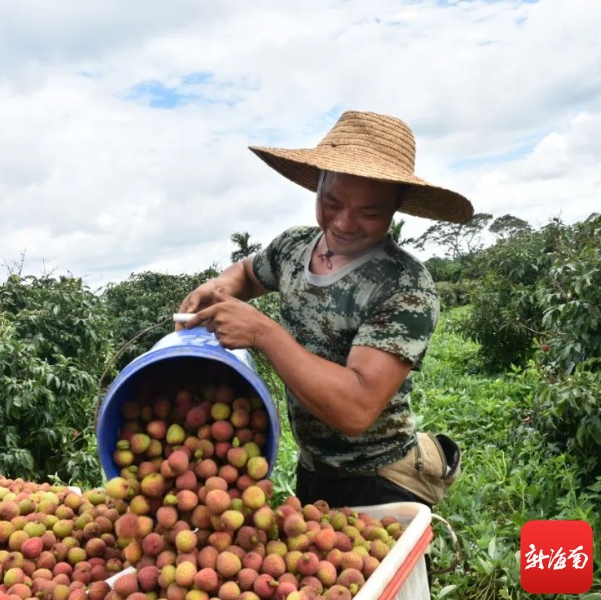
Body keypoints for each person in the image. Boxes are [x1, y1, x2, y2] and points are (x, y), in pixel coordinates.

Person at [177, 110, 472, 510]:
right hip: (313, 469)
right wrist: (219, 287)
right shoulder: (294, 247)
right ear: (317, 186)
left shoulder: (404, 286)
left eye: (369, 213)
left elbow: (357, 408)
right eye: (331, 202)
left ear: (396, 207)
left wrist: (264, 333)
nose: (345, 223)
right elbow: (247, 272)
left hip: (380, 476)